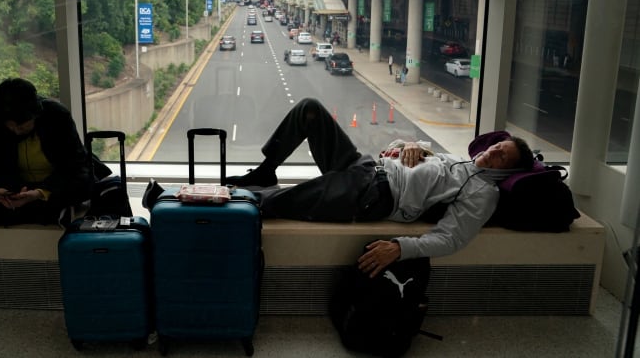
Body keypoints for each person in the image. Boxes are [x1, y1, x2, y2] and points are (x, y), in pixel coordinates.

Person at [225, 98, 534, 278]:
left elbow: (451, 238)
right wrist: (408, 145)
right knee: (310, 110)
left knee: (278, 202)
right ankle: (266, 170)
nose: (493, 151)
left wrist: (400, 248)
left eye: (502, 156)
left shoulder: (482, 192)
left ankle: (218, 201)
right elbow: (401, 151)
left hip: (371, 195)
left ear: (508, 171)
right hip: (366, 167)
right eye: (498, 146)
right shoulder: (459, 161)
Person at [0, 78, 93, 226]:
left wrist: (39, 193)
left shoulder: (57, 116)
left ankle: (7, 215)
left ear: (35, 115)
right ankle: (51, 214)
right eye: (12, 127)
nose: (17, 131)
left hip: (50, 186)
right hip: (19, 187)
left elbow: (74, 166)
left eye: (22, 126)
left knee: (83, 185)